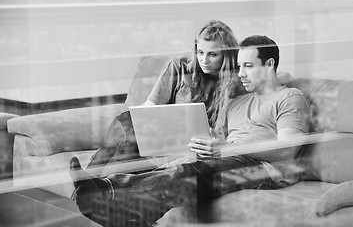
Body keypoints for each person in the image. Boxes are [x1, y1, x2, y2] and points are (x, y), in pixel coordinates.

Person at [69, 35, 310, 225]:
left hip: (264, 169)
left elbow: (287, 151)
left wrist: (225, 148)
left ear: (269, 65)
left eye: (248, 66)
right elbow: (221, 140)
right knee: (176, 166)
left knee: (192, 170)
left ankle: (107, 191)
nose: (241, 74)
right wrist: (207, 143)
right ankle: (131, 218)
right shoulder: (236, 102)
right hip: (229, 157)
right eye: (238, 66)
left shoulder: (289, 97)